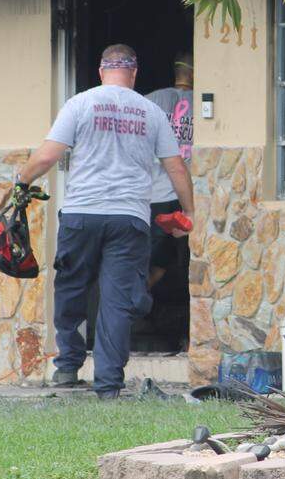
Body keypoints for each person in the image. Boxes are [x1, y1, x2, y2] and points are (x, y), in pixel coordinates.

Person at [11, 43, 194, 399]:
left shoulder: (80, 103)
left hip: (82, 213)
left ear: (100, 71)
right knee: (117, 299)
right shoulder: (150, 111)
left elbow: (49, 155)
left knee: (71, 286)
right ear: (134, 72)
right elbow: (175, 166)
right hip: (130, 219)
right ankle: (108, 385)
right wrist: (188, 212)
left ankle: (67, 366)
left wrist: (21, 181)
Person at [145, 52, 194, 290]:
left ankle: (133, 307)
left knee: (154, 260)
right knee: (178, 261)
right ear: (194, 73)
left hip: (154, 195)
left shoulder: (149, 101)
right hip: (188, 195)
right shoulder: (204, 100)